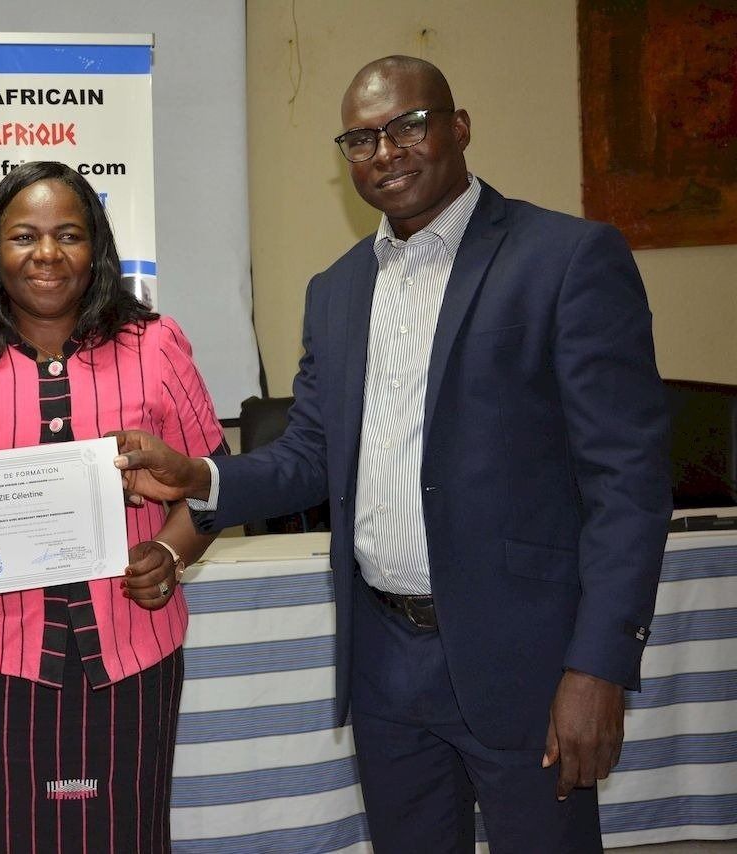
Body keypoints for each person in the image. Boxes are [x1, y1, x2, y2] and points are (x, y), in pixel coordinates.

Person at [113, 56, 672, 852]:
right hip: (385, 662)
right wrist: (198, 476)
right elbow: (312, 453)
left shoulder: (566, 258)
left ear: (459, 127)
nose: (386, 152)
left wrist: (599, 666)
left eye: (408, 125)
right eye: (361, 139)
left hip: (529, 659)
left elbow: (628, 482)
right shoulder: (337, 290)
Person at [0, 161, 226, 852]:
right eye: (25, 236)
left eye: (68, 235)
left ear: (96, 249)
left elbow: (216, 485)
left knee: (125, 837)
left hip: (132, 654)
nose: (47, 253)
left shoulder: (157, 347)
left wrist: (170, 553)